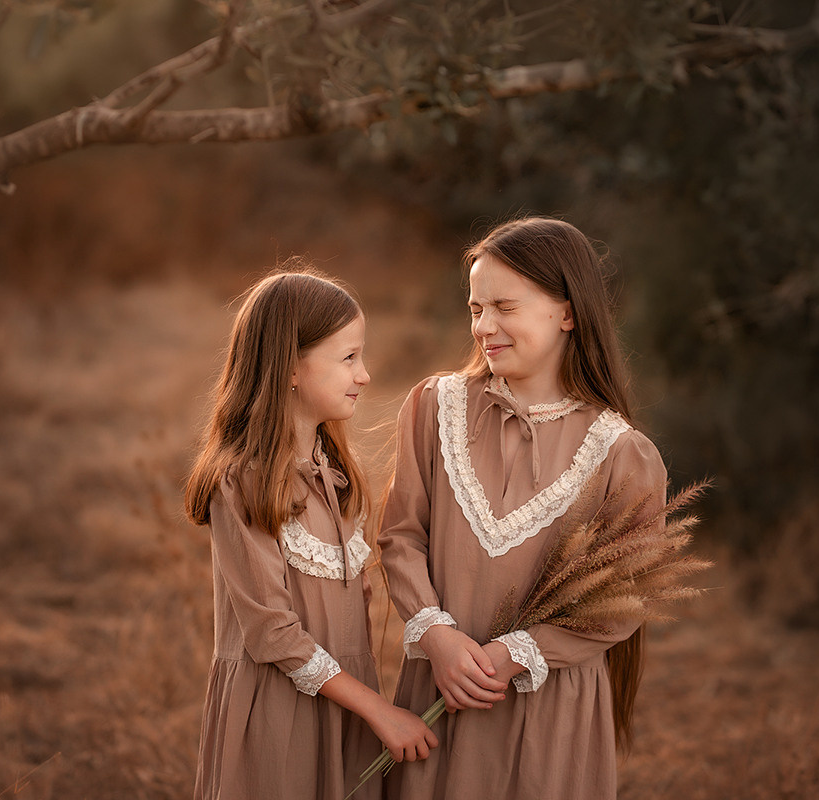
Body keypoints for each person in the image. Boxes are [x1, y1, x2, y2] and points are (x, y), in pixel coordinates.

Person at [378, 218, 667, 799]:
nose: (484, 327)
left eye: (505, 307)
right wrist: (437, 637)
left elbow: (625, 596)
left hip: (549, 710)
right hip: (440, 691)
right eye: (476, 309)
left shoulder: (622, 452)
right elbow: (400, 537)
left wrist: (515, 654)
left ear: (567, 313)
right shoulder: (435, 407)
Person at [185, 268, 437, 800]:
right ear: (291, 368)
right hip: (280, 714)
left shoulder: (335, 475)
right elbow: (272, 634)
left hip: (346, 706)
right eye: (349, 358)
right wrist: (380, 711)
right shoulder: (243, 480)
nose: (364, 374)